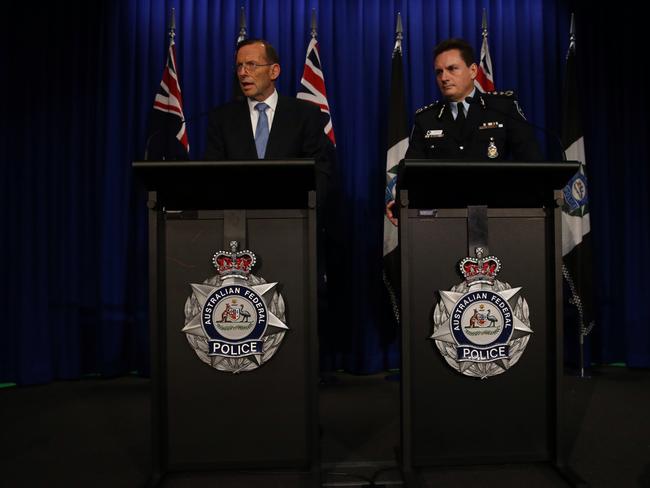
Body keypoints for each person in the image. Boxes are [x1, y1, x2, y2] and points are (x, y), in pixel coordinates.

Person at [204, 38, 332, 201]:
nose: (243, 73)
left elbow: (321, 172)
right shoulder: (222, 119)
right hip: (237, 217)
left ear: (274, 71)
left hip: (290, 217)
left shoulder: (305, 115)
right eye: (239, 66)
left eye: (251, 65)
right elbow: (212, 176)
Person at [404, 38, 543, 162]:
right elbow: (410, 175)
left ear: (473, 71)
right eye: (439, 72)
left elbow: (532, 162)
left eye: (452, 69)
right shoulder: (426, 119)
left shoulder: (502, 108)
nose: (444, 78)